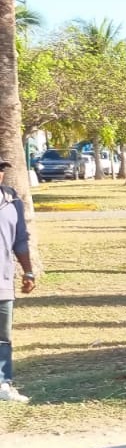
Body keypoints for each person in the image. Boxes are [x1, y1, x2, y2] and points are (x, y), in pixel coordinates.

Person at [0, 160, 37, 404]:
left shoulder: (12, 202)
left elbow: (20, 241)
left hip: (2, 283)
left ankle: (3, 384)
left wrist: (28, 272)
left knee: (3, 337)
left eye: (1, 169)